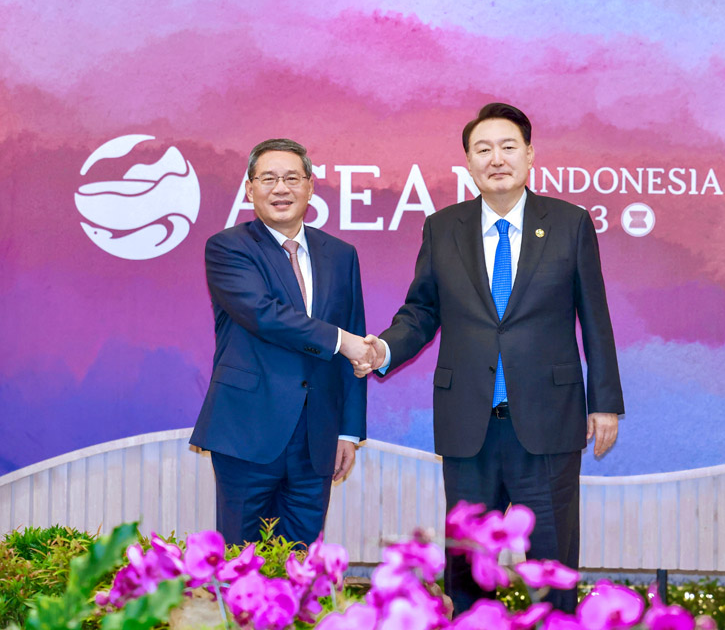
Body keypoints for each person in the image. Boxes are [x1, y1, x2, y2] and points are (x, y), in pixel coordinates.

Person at [356, 103, 624, 614]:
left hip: (548, 421)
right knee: (467, 566)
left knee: (553, 567)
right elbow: (421, 311)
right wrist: (384, 348)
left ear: (529, 155)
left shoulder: (569, 223)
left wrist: (604, 401)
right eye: (483, 149)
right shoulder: (442, 228)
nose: (496, 158)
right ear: (468, 162)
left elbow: (595, 316)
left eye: (507, 147)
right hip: (468, 425)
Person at [191, 138, 372, 547]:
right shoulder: (228, 247)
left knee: (302, 564)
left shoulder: (341, 254)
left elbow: (355, 335)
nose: (281, 188)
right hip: (247, 432)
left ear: (310, 187)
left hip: (317, 439)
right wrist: (341, 341)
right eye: (268, 178)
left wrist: (348, 432)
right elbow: (264, 314)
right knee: (242, 561)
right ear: (250, 188)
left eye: (292, 178)